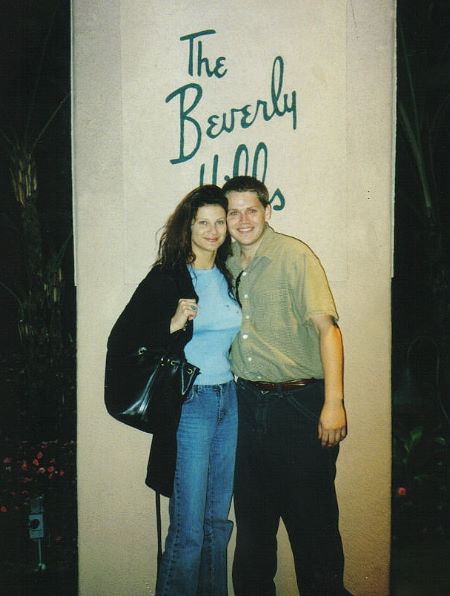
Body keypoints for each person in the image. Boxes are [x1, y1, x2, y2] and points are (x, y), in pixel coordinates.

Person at [107, 185, 241, 596]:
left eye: (220, 222)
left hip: (227, 401)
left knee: (218, 524)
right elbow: (123, 339)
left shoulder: (227, 273)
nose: (213, 230)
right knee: (189, 531)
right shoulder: (167, 276)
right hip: (191, 404)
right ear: (188, 225)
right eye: (204, 221)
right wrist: (170, 324)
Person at [222, 175, 351, 596]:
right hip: (244, 405)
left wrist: (334, 403)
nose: (242, 220)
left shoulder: (295, 257)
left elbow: (327, 331)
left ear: (267, 211)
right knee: (254, 537)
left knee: (313, 530)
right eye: (233, 212)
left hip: (299, 406)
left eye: (251, 210)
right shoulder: (222, 264)